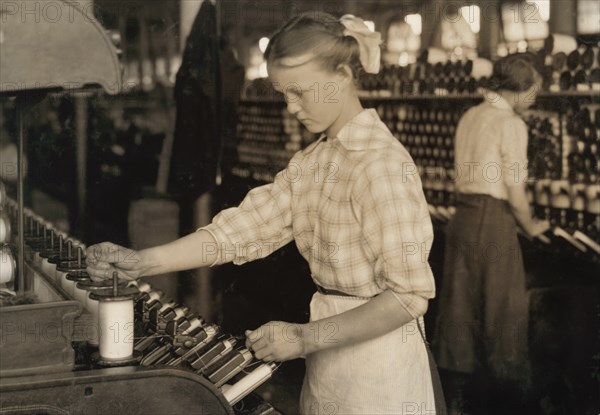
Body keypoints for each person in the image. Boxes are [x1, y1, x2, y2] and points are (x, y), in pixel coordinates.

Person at [88, 12, 439, 414]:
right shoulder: (313, 162)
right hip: (330, 360)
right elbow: (236, 232)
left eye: (299, 92)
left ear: (342, 75)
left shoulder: (379, 165)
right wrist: (142, 261)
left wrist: (304, 339)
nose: (291, 107)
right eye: (283, 93)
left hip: (381, 366)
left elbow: (408, 298)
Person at [432, 53, 551, 415]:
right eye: (533, 91)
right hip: (492, 219)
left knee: (459, 310)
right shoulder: (510, 124)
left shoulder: (471, 115)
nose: (534, 99)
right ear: (518, 90)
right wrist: (531, 225)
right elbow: (514, 189)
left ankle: (458, 404)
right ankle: (506, 404)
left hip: (462, 218)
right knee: (504, 311)